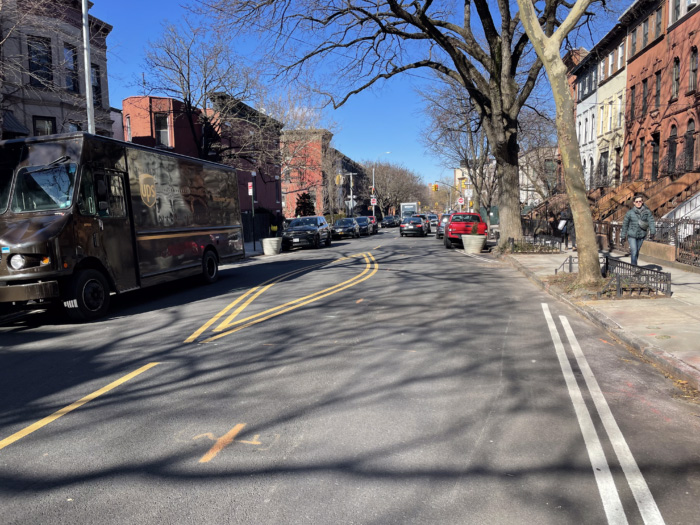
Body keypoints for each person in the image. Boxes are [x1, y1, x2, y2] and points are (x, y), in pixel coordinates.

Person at [621, 194, 656, 266]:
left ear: (642, 202)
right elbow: (625, 225)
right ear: (634, 203)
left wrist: (653, 232)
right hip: (632, 235)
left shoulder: (647, 212)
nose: (638, 203)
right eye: (636, 202)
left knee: (636, 251)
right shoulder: (629, 213)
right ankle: (634, 268)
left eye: (640, 201)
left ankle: (634, 265)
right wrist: (623, 236)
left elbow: (651, 221)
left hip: (642, 235)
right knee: (634, 251)